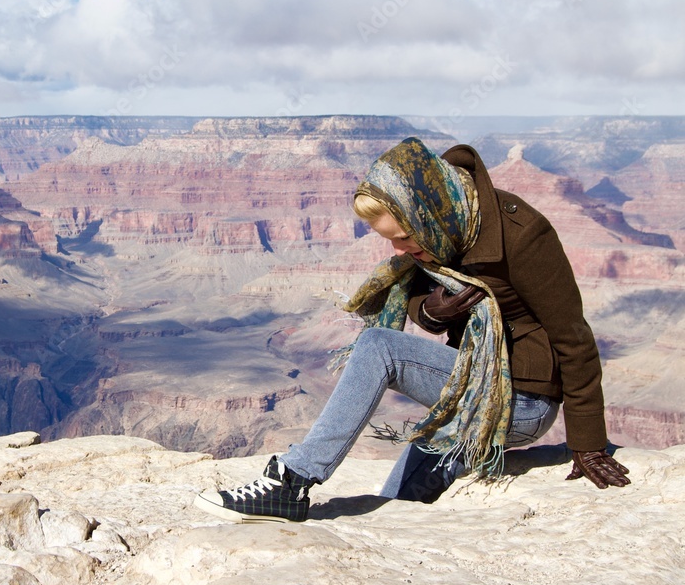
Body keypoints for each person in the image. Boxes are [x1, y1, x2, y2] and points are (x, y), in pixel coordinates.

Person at [193, 137, 630, 524]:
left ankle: (292, 480)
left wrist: (587, 443)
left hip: (521, 400)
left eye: (403, 238)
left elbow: (574, 337)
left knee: (378, 346)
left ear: (425, 216)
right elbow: (422, 305)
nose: (398, 251)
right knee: (396, 506)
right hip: (469, 387)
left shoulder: (522, 235)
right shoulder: (442, 222)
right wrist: (435, 311)